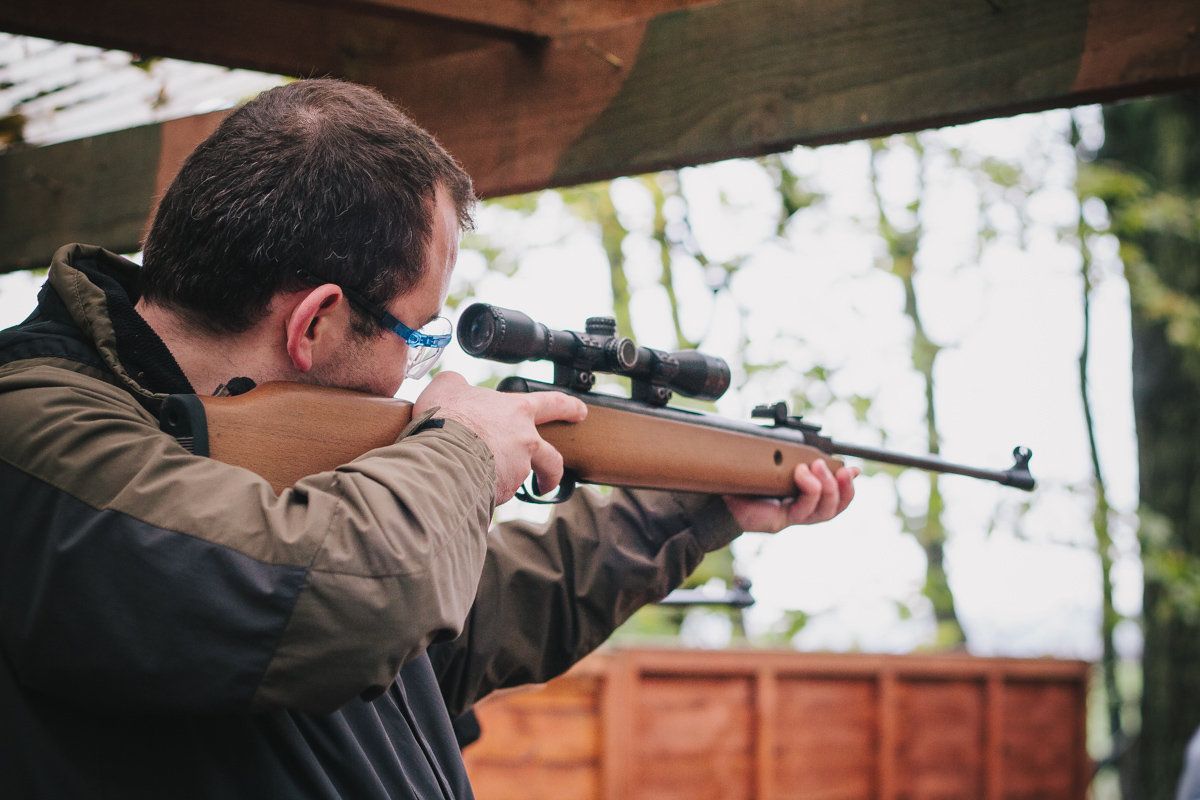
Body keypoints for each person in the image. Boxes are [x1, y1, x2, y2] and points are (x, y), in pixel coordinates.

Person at [0, 79, 856, 799]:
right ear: (316, 325)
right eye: (417, 334)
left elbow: (462, 620)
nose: (421, 369)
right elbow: (340, 594)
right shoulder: (35, 431)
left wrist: (684, 510)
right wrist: (462, 445)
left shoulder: (235, 462)